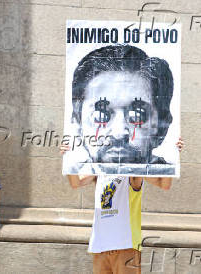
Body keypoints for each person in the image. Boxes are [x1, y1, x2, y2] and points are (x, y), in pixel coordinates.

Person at [60, 137, 184, 274]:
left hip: (125, 245)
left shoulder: (132, 172)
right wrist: (68, 158)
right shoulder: (99, 170)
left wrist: (173, 155)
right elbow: (75, 183)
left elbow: (164, 184)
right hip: (100, 245)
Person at [66, 44, 176, 175]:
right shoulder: (73, 173)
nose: (119, 133)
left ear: (162, 126)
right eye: (100, 115)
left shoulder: (167, 176)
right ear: (77, 123)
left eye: (137, 115)